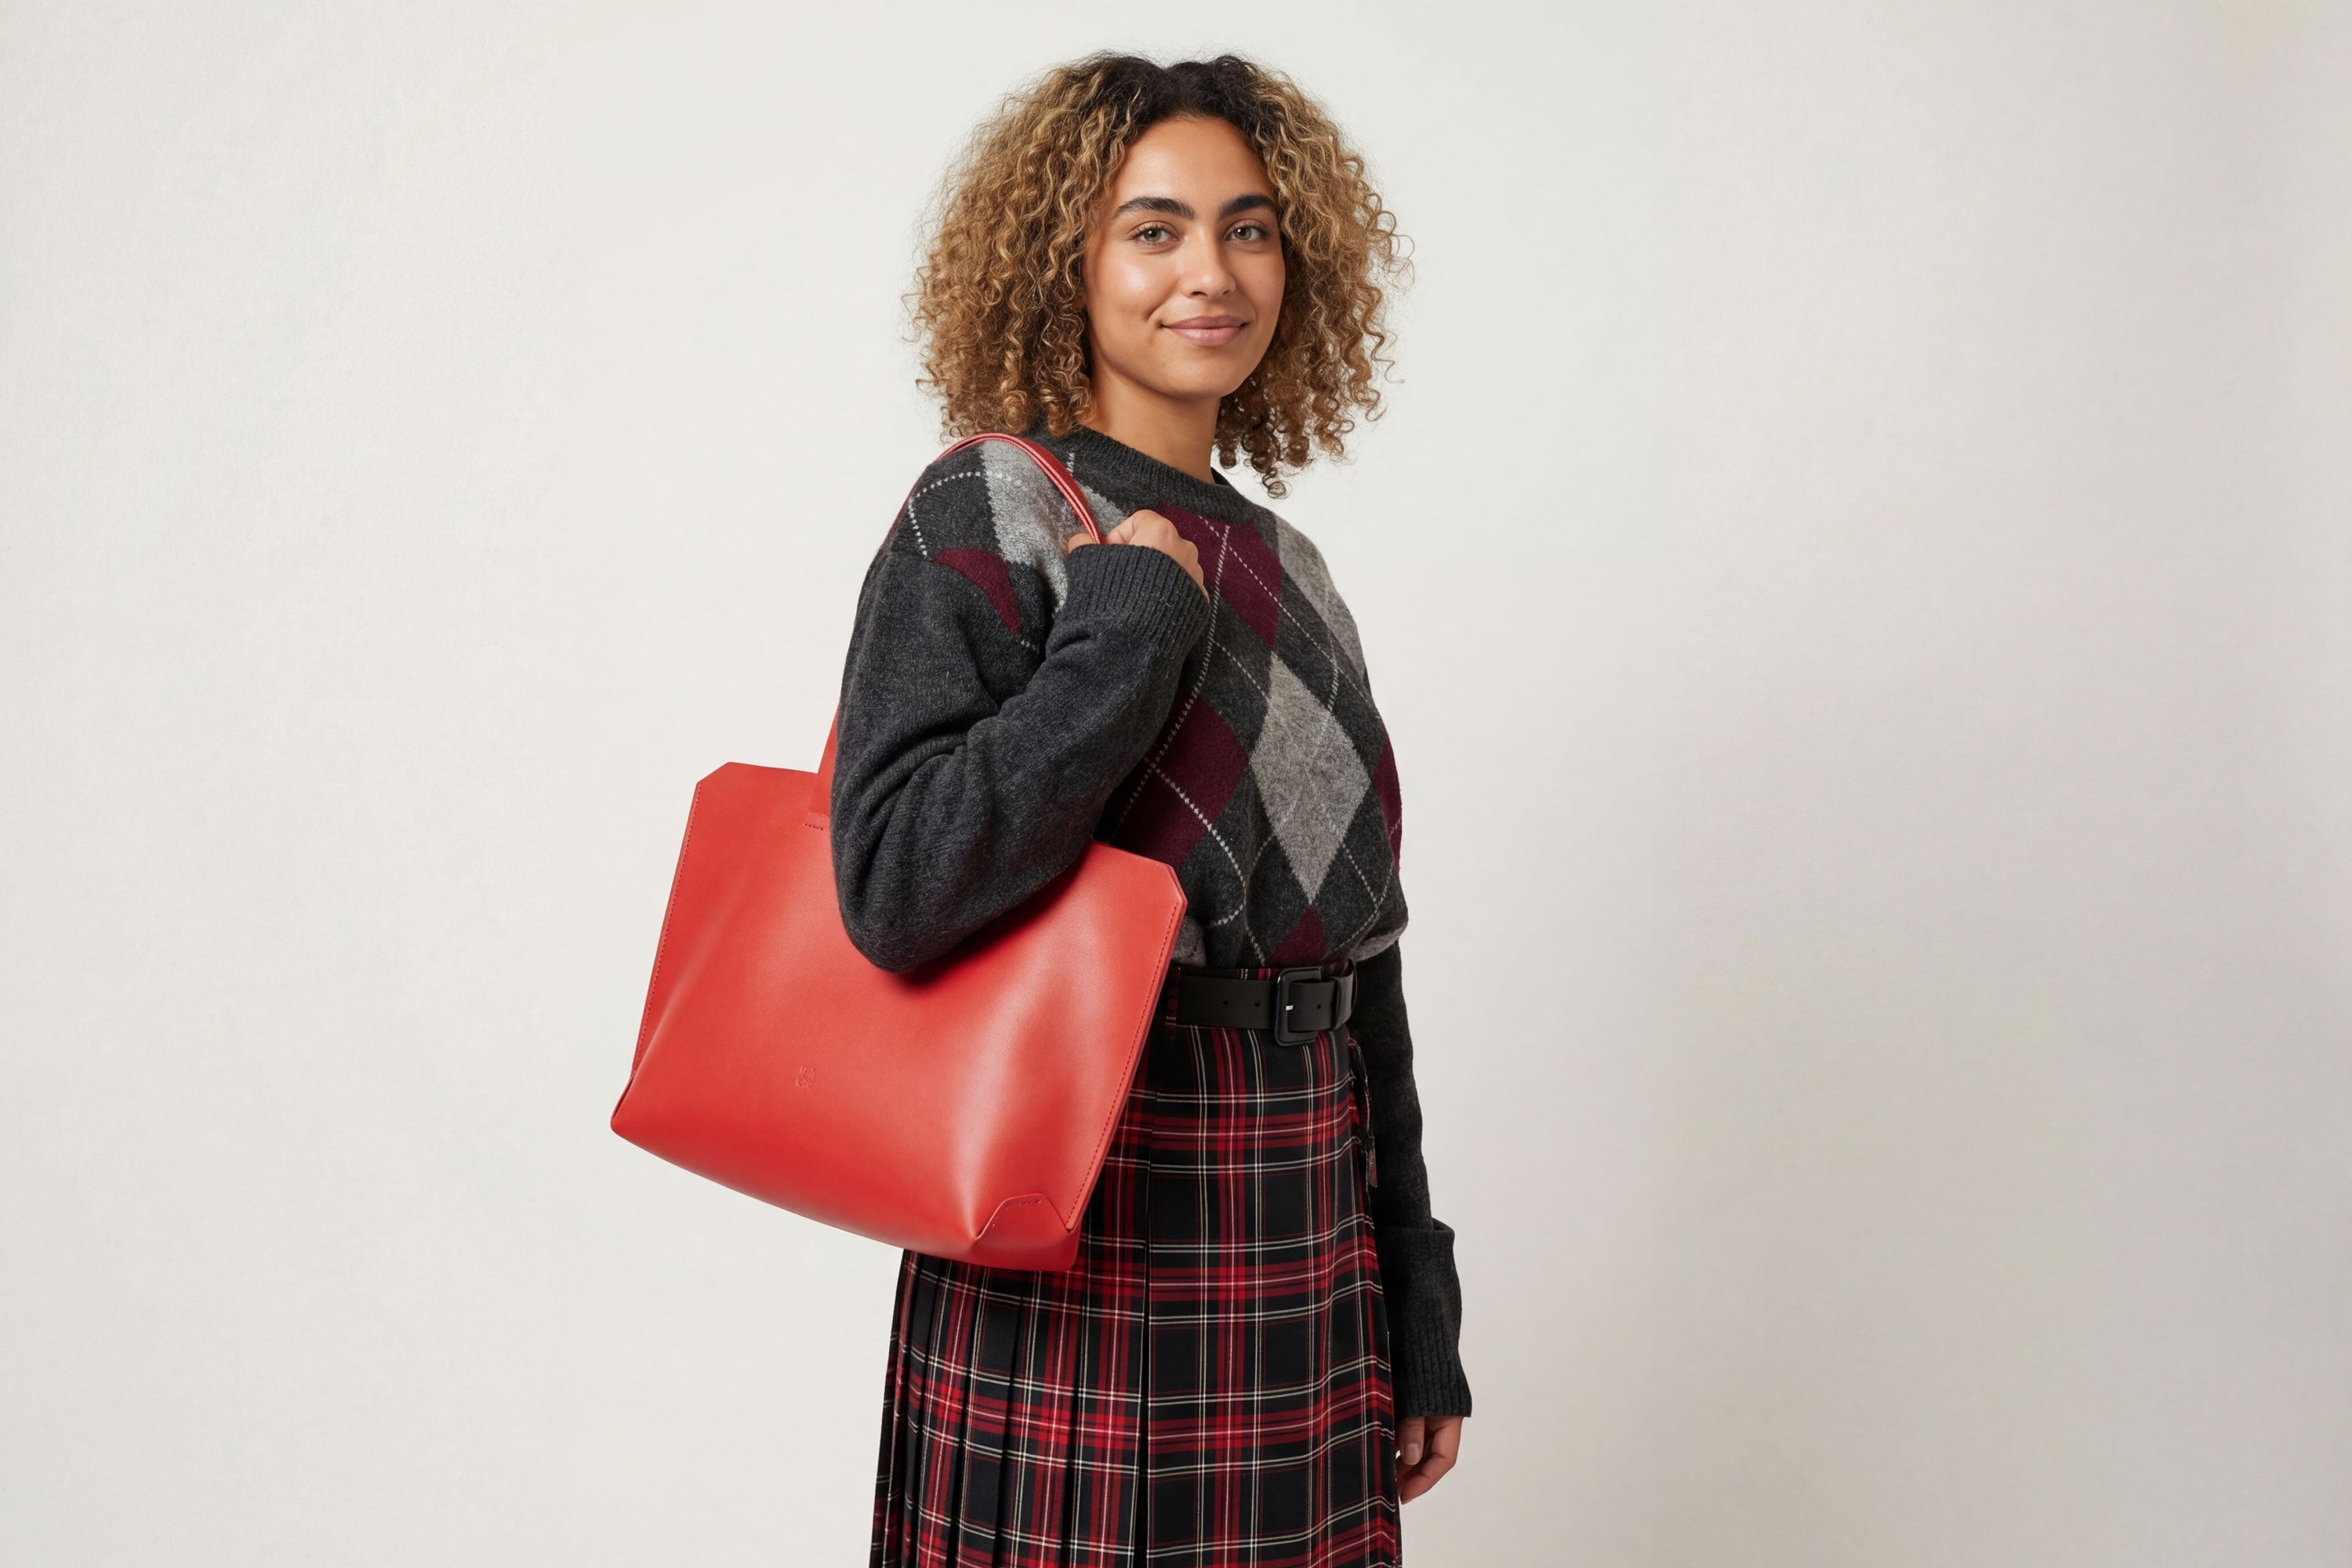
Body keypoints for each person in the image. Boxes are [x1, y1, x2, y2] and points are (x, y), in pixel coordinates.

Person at [829, 51, 1471, 1566]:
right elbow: (901, 881)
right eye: (1155, 229)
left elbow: (1363, 961)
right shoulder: (985, 512)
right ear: (1070, 261)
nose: (1213, 273)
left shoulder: (1295, 573)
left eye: (1248, 229)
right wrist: (1124, 623)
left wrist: (1416, 1296)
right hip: (1079, 1208)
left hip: (1304, 1226)